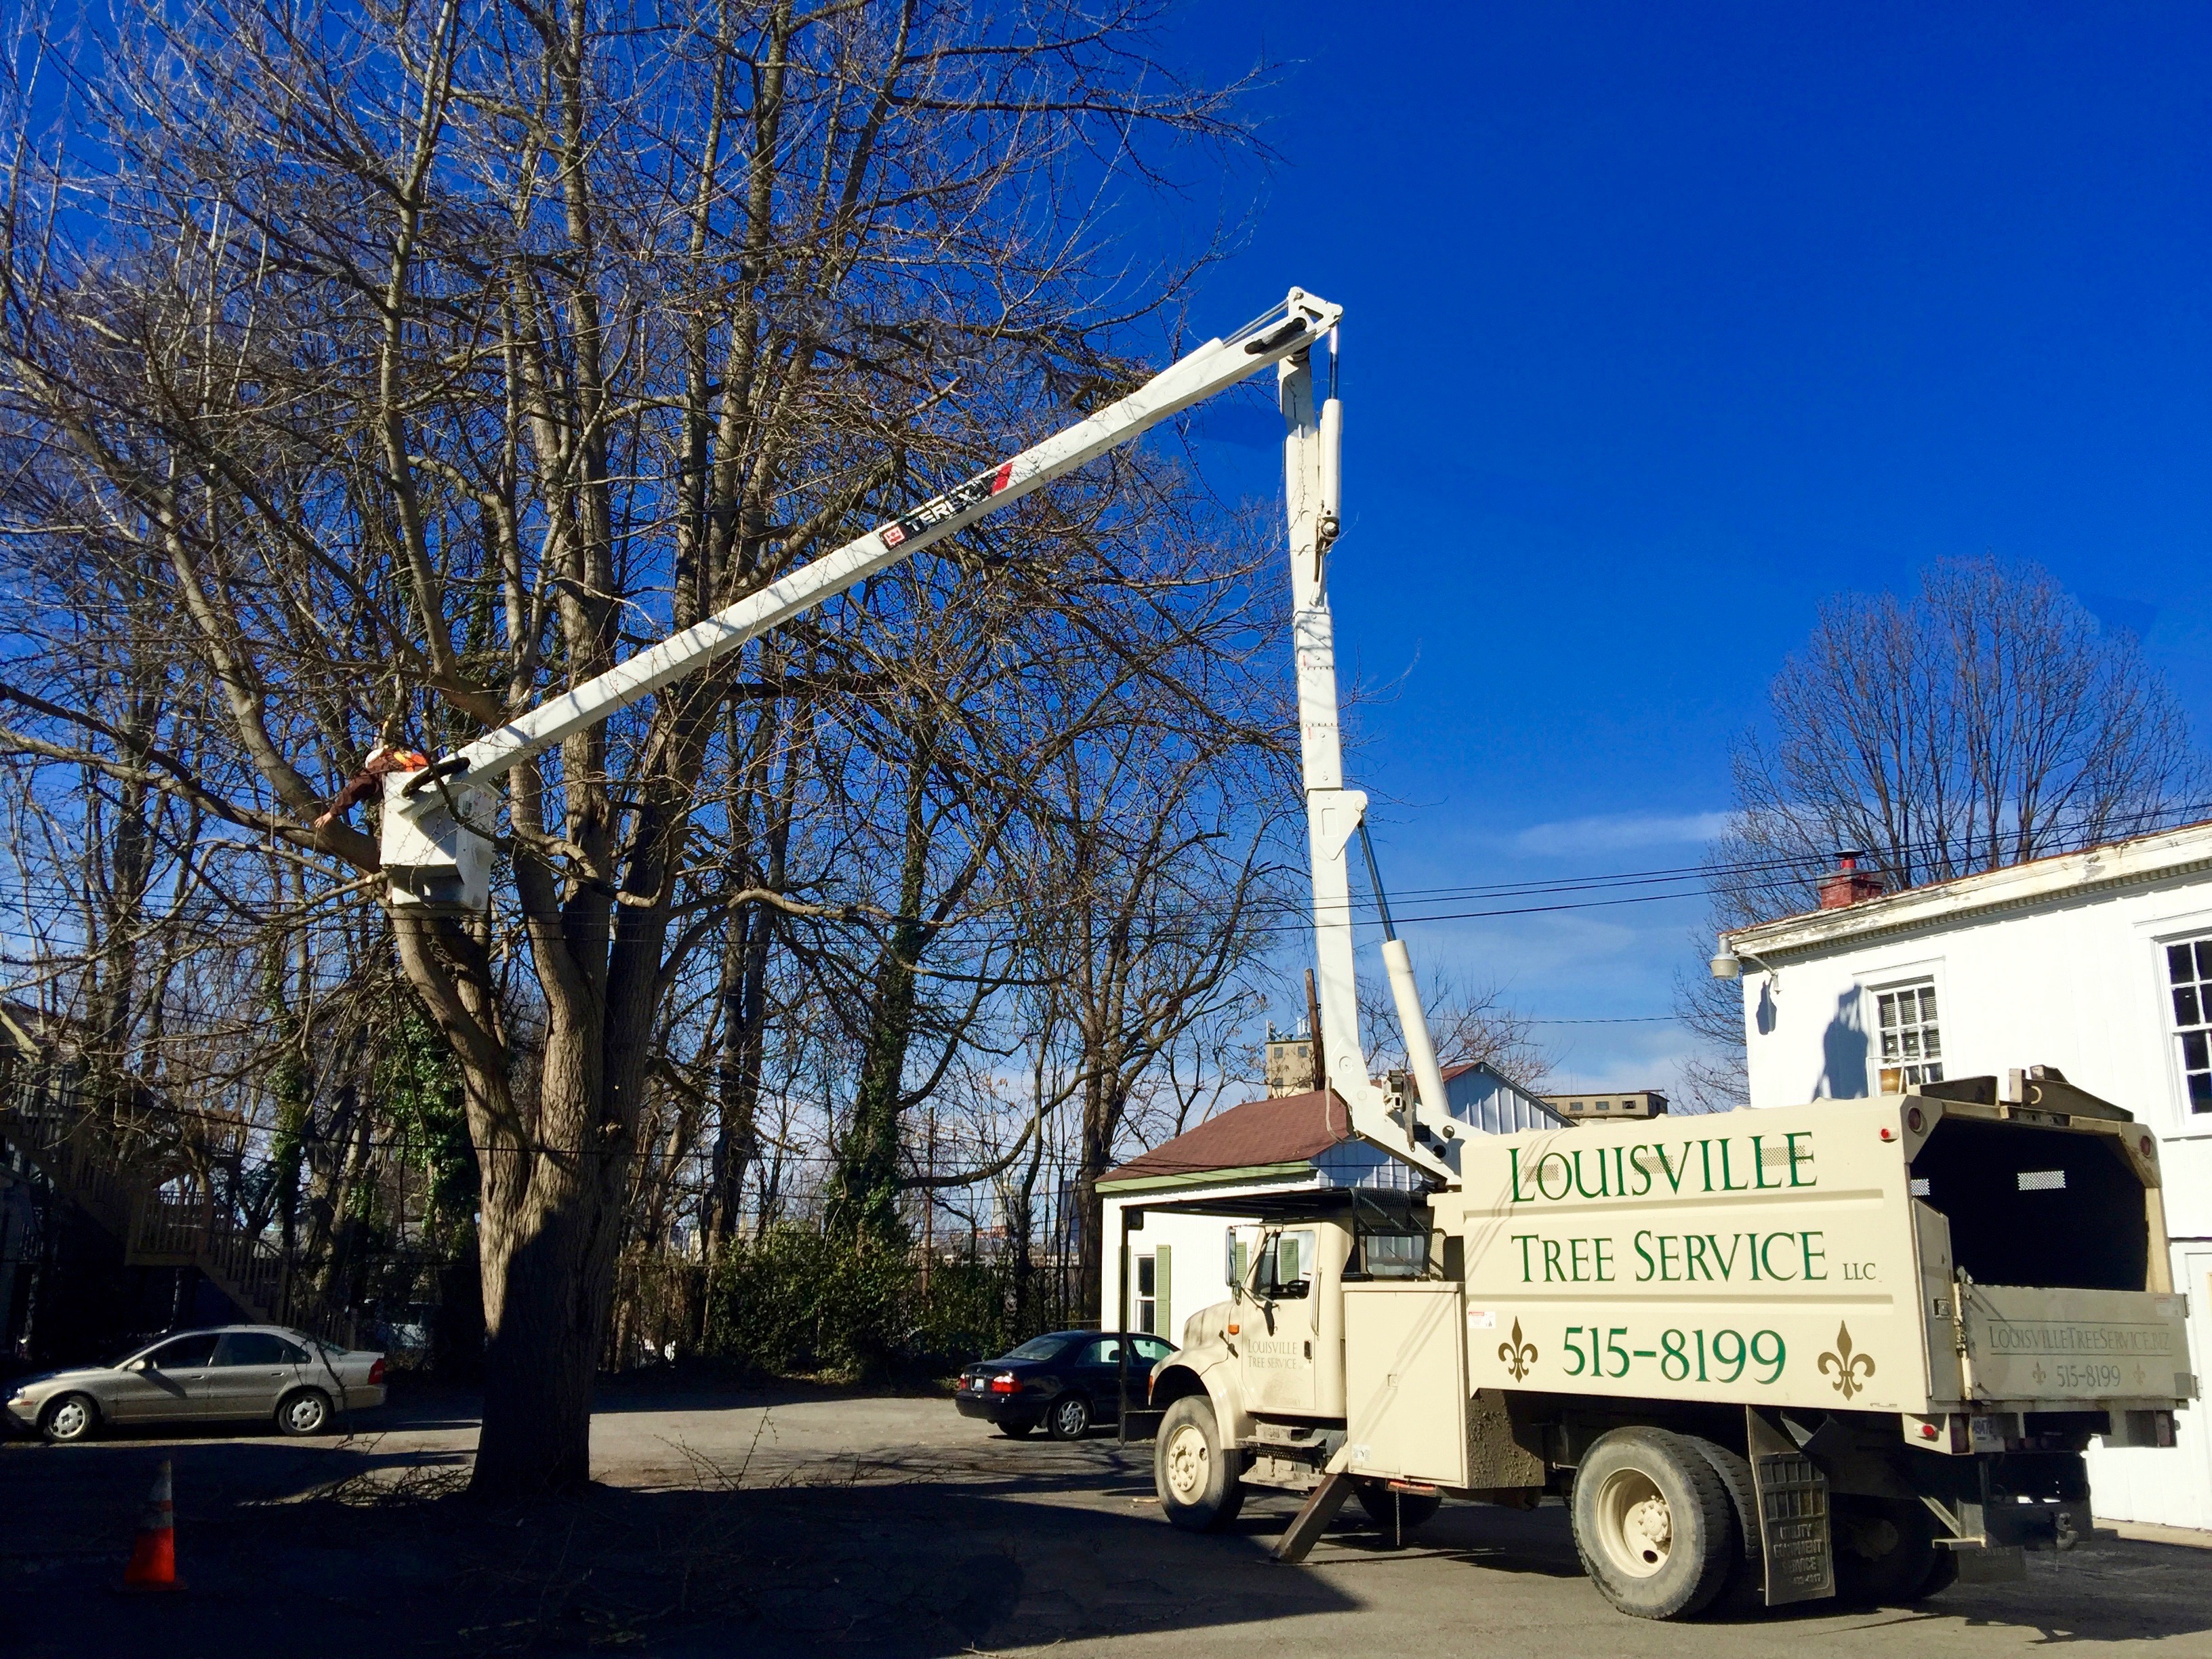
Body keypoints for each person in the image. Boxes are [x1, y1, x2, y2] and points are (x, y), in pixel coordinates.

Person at [313, 741, 428, 830]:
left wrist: (332, 812)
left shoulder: (379, 765)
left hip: (420, 791)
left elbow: (356, 786)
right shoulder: (406, 759)